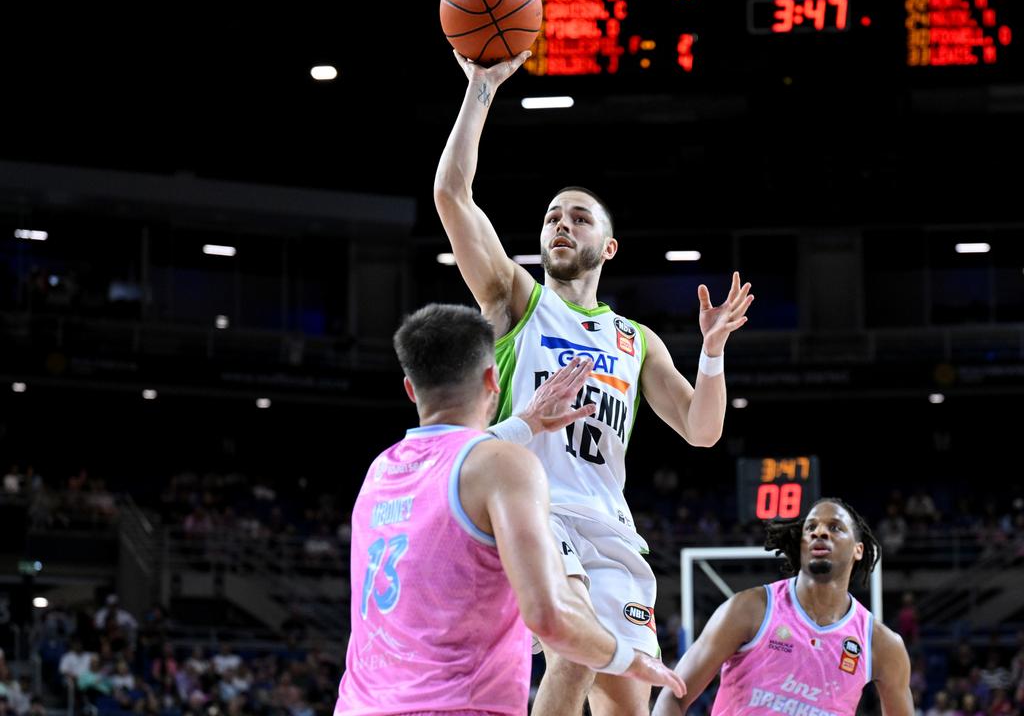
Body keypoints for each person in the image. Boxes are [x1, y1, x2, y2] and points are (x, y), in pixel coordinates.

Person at [433, 49, 753, 714]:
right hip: (530, 509)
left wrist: (713, 351)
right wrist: (482, 88)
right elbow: (452, 196)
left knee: (627, 702)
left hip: (609, 527)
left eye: (578, 217)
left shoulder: (635, 341)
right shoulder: (516, 300)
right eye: (553, 215)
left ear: (608, 246)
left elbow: (702, 430)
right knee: (576, 652)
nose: (561, 223)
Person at [334, 303, 685, 715]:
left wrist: (527, 422)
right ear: (492, 379)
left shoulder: (381, 471)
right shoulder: (502, 465)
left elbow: (454, 458)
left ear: (410, 388)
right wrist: (630, 659)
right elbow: (550, 616)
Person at [653, 498, 913, 716]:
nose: (819, 532)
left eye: (835, 527)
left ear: (858, 550)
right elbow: (672, 697)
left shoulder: (882, 645)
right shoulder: (749, 610)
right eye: (810, 527)